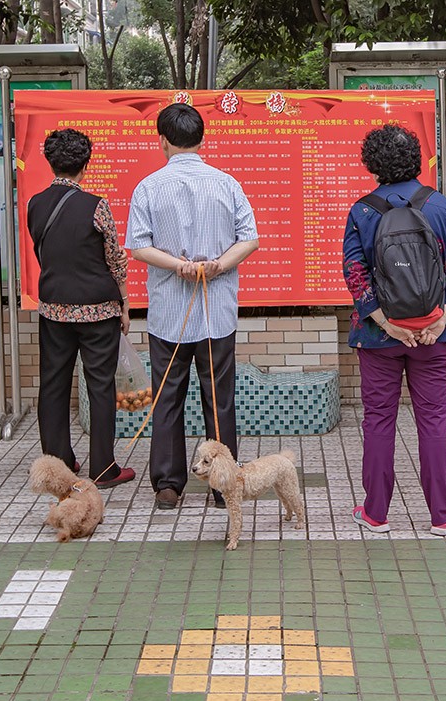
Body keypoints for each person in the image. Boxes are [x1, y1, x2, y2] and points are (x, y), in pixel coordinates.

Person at [127, 103, 259, 511]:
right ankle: (222, 486)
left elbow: (139, 247)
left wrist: (179, 265)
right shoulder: (227, 183)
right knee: (219, 398)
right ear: (202, 139)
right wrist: (219, 263)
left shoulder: (149, 186)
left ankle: (168, 485)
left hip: (168, 311)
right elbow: (249, 239)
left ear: (162, 140)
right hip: (217, 309)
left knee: (167, 396)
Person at [342, 124, 446, 536]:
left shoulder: (362, 211)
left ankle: (376, 513)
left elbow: (355, 273)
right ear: (416, 159)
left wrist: (386, 323)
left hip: (378, 337)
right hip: (435, 334)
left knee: (379, 420)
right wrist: (440, 318)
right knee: (433, 419)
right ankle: (444, 515)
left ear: (372, 163)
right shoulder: (442, 208)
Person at [27, 128, 134, 488]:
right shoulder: (96, 205)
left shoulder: (35, 204)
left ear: (50, 162)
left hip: (54, 309)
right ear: (85, 165)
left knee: (53, 384)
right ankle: (104, 468)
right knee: (100, 385)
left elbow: (45, 252)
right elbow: (115, 260)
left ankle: (57, 466)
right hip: (98, 310)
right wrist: (125, 301)